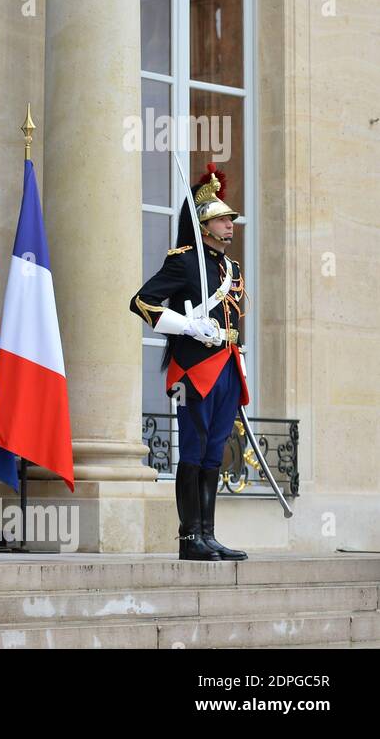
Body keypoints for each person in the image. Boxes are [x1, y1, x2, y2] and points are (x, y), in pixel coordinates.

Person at [130, 165, 248, 562]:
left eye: (230, 218)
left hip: (228, 365)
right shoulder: (183, 261)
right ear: (203, 223)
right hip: (194, 369)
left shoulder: (231, 269)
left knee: (215, 451)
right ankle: (188, 537)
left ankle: (208, 534)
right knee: (194, 449)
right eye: (221, 218)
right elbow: (141, 303)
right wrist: (188, 326)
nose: (230, 224)